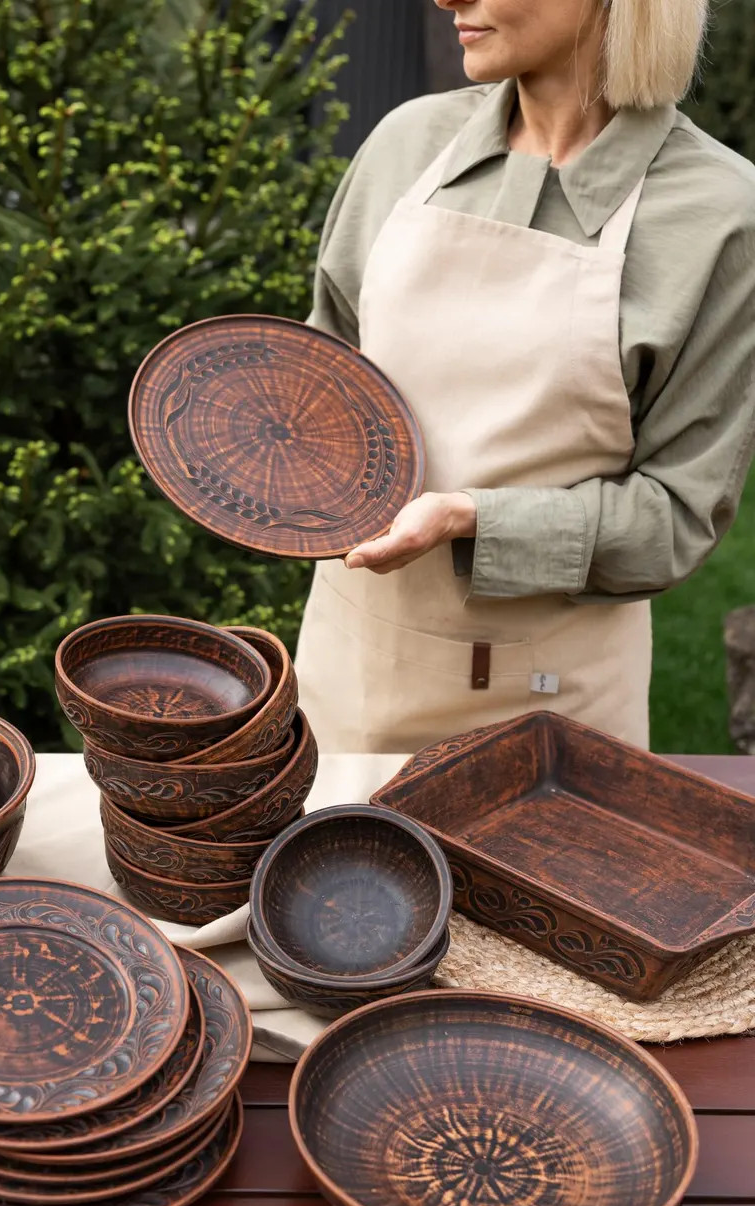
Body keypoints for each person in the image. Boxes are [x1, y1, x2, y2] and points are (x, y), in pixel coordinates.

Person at [294, 0, 755, 753]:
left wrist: (473, 518)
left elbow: (676, 518)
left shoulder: (718, 216)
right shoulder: (406, 144)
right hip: (349, 675)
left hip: (551, 722)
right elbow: (325, 377)